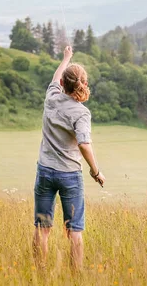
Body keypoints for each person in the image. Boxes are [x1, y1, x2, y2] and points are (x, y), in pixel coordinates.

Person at [32, 45, 105, 270]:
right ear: (82, 84)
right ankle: (76, 276)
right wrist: (95, 171)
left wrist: (66, 58)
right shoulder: (81, 113)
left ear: (62, 84)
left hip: (45, 171)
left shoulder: (51, 97)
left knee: (42, 228)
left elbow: (56, 77)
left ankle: (39, 273)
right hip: (70, 176)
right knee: (74, 230)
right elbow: (84, 143)